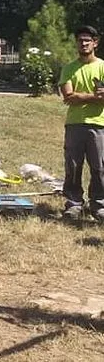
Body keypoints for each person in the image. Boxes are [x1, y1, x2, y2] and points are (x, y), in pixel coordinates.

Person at [59, 25, 104, 222]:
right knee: (73, 166)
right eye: (80, 40)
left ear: (95, 43)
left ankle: (99, 204)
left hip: (99, 124)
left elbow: (76, 96)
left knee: (100, 168)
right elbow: (68, 96)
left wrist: (81, 96)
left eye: (87, 40)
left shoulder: (102, 67)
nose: (83, 43)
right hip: (75, 124)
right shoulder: (69, 68)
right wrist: (95, 96)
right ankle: (74, 204)